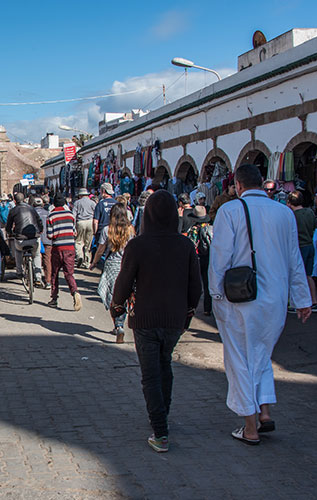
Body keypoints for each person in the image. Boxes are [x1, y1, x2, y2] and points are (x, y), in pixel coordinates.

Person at [209, 164, 311, 446]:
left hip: (240, 298)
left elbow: (219, 258)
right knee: (261, 354)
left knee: (239, 359)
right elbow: (294, 259)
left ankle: (250, 426)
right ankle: (264, 409)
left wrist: (215, 295)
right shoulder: (284, 213)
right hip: (275, 300)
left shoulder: (230, 211)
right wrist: (302, 300)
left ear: (239, 185)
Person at [111, 190, 202, 453]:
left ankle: (160, 431)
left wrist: (117, 307)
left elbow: (124, 282)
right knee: (165, 365)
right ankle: (163, 416)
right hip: (174, 320)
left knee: (150, 374)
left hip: (145, 320)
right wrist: (188, 312)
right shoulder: (185, 245)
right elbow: (195, 286)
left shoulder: (138, 245)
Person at [92, 204, 135, 342]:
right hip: (127, 265)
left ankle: (118, 325)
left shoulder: (107, 230)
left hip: (111, 265)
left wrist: (94, 262)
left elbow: (100, 249)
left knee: (112, 296)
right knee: (126, 295)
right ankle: (121, 322)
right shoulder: (130, 230)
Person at [46, 193, 82, 311]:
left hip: (57, 248)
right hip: (70, 247)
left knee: (55, 274)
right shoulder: (70, 215)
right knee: (69, 273)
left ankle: (54, 299)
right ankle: (75, 292)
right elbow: (73, 231)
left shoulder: (51, 216)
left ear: (53, 204)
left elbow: (50, 235)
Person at [287, 192, 317, 312]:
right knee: (308, 275)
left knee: (295, 275)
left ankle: (294, 303)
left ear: (289, 203)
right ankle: (314, 301)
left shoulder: (292, 216)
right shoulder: (310, 213)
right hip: (310, 245)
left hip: (298, 247)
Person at [5, 192, 43, 284]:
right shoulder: (32, 209)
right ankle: (38, 277)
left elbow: (8, 226)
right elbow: (39, 222)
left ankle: (19, 272)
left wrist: (10, 233)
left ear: (15, 201)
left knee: (18, 251)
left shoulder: (13, 211)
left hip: (20, 238)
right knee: (37, 255)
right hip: (34, 237)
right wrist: (40, 230)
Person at [182, 205, 214, 315]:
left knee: (194, 282)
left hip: (197, 258)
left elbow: (191, 244)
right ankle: (207, 308)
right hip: (209, 256)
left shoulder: (194, 230)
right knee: (207, 283)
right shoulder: (211, 228)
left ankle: (191, 306)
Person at [72, 188, 96, 268]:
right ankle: (87, 262)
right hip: (90, 221)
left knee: (79, 241)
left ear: (80, 195)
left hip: (80, 222)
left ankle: (79, 256)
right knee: (88, 243)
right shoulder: (92, 203)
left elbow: (73, 215)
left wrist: (73, 228)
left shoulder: (77, 203)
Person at [33, 197, 52, 288]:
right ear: (43, 205)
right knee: (47, 260)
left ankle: (37, 278)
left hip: (35, 239)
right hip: (48, 239)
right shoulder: (48, 213)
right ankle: (48, 281)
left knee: (36, 258)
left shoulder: (32, 214)